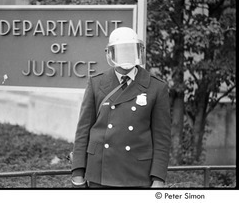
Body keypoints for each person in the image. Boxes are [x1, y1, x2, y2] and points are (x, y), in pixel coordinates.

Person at [70, 27, 171, 188]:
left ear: (139, 52)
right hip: (100, 172)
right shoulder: (97, 83)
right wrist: (78, 172)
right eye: (121, 51)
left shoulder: (156, 87)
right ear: (110, 53)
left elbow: (162, 138)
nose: (126, 56)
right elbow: (83, 130)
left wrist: (158, 178)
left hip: (137, 174)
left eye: (130, 50)